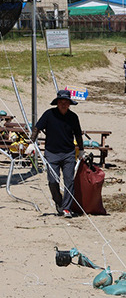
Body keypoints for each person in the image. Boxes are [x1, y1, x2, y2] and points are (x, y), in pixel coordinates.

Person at [31, 90, 84, 218]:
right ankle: (59, 203)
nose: (63, 104)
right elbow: (37, 128)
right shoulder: (49, 114)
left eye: (66, 102)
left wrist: (81, 150)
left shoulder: (73, 117)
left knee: (69, 181)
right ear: (57, 103)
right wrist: (31, 142)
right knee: (52, 181)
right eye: (61, 102)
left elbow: (78, 134)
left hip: (68, 154)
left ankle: (66, 208)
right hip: (51, 153)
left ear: (69, 104)